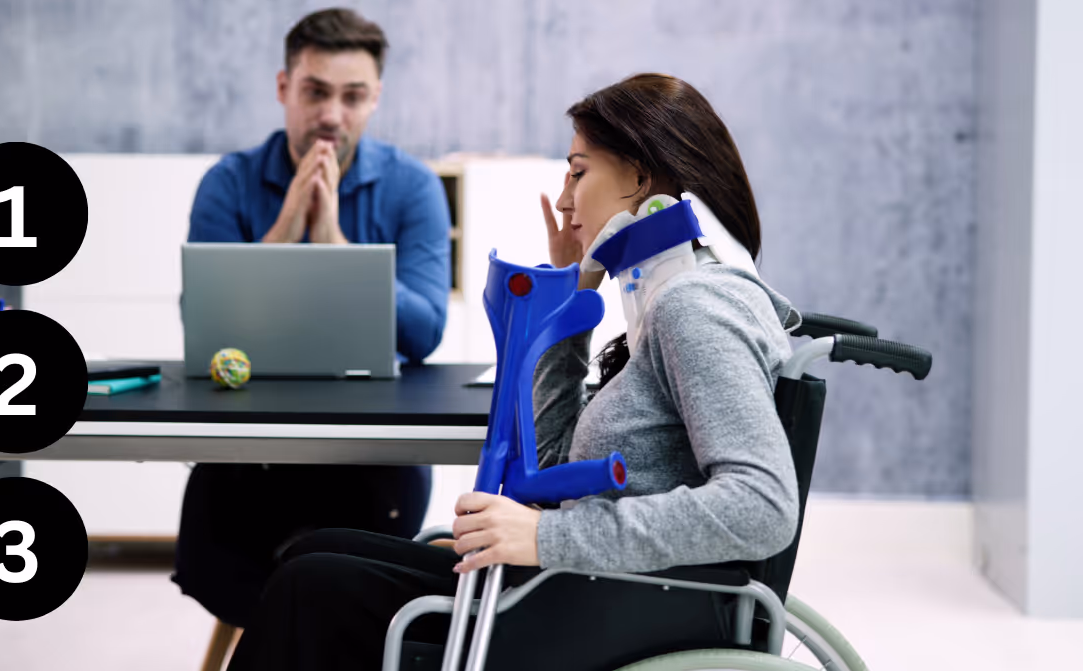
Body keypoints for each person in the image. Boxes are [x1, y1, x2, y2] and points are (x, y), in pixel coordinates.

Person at [224, 73, 802, 670]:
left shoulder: (696, 305)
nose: (563, 199)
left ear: (639, 177)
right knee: (314, 552)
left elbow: (762, 505)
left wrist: (542, 539)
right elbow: (551, 464)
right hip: (586, 585)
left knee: (311, 588)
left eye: (578, 171)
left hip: (616, 603)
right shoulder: (666, 299)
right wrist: (573, 288)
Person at [173, 8, 451, 630]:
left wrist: (334, 246)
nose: (332, 114)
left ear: (375, 97)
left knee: (332, 589)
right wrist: (283, 232)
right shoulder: (229, 182)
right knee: (279, 590)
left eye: (352, 96)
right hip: (248, 459)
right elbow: (206, 328)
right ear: (283, 89)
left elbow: (425, 332)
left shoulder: (413, 188)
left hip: (372, 460)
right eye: (315, 92)